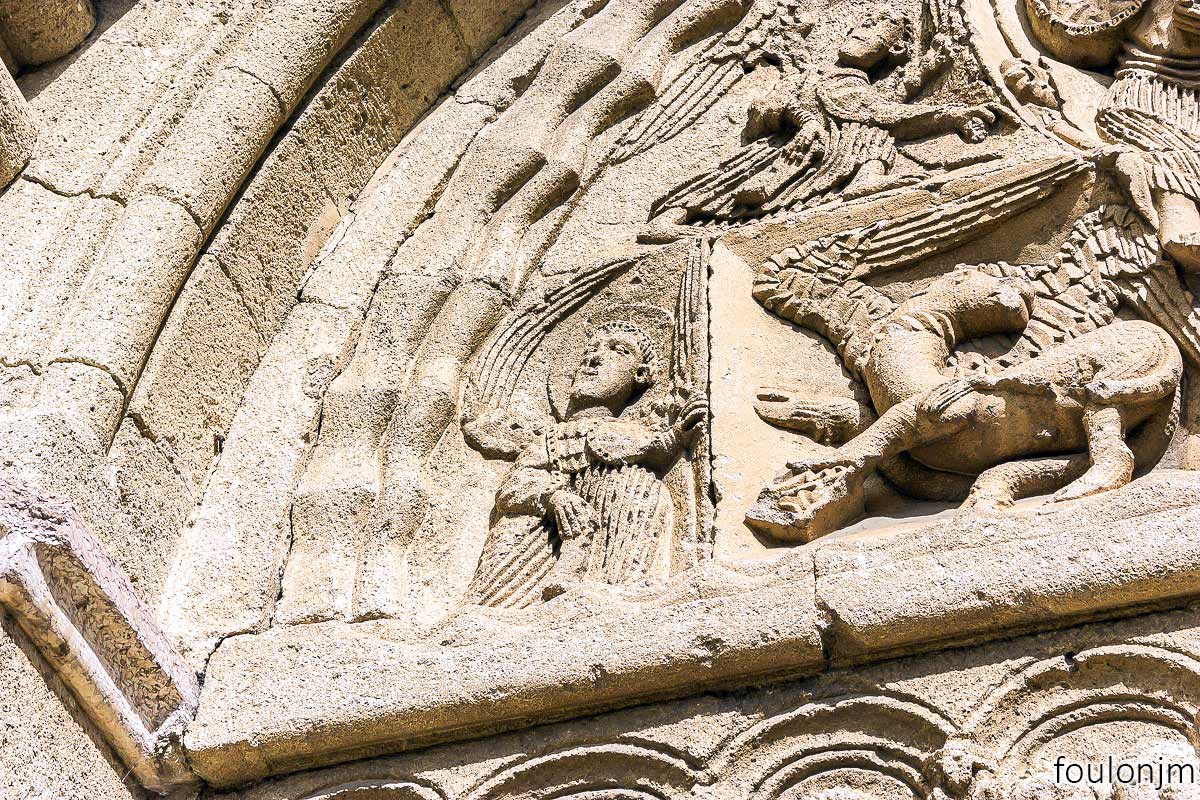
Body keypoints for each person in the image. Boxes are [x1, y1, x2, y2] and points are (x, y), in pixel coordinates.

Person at [643, 9, 1009, 239]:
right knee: (727, 178)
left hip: (831, 158)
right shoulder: (809, 76)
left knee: (871, 130)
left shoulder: (860, 90)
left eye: (877, 29)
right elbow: (762, 111)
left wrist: (949, 110)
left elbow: (881, 111)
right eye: (863, 23)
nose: (862, 30)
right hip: (782, 154)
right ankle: (673, 219)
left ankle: (865, 182)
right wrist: (799, 117)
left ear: (894, 50)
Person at [469, 321, 707, 606]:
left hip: (616, 533)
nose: (594, 359)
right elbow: (514, 486)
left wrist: (679, 434)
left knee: (641, 485)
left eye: (617, 351)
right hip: (543, 543)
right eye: (590, 350)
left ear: (641, 375)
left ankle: (622, 585)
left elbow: (640, 447)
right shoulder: (552, 437)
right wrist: (553, 497)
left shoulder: (633, 432)